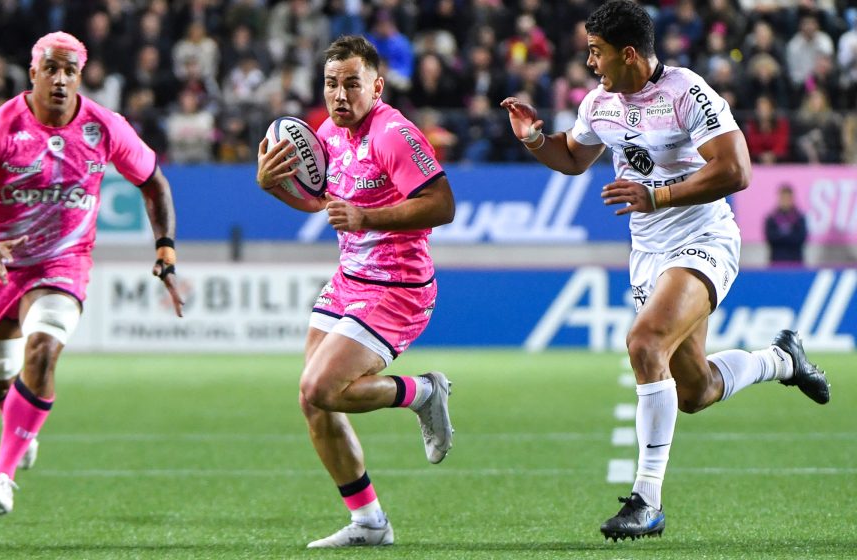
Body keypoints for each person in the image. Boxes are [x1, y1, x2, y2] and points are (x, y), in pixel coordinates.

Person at [500, 0, 830, 542]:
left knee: (644, 342)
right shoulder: (600, 103)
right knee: (694, 391)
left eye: (597, 52)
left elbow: (736, 169)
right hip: (648, 255)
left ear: (628, 53)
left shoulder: (687, 92)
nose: (589, 64)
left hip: (704, 239)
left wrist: (658, 194)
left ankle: (646, 501)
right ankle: (781, 360)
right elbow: (572, 158)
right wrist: (535, 138)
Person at [0, 31, 183, 516]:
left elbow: (153, 183)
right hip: (1, 263)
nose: (60, 79)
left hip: (63, 263)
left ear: (80, 75)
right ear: (33, 73)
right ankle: (18, 428)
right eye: (51, 68)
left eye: (70, 70)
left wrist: (166, 249)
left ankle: (1, 474)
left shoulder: (105, 125)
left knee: (45, 350)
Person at [255, 35, 455, 548]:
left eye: (351, 84)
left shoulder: (393, 133)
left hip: (399, 286)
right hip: (350, 280)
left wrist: (368, 216)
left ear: (377, 86)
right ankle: (369, 521)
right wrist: (272, 185)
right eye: (330, 84)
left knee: (322, 386)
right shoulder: (329, 132)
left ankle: (424, 392)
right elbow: (323, 202)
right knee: (313, 400)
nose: (340, 95)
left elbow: (442, 204)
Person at [765, 184, 808, 264]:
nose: (785, 200)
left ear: (792, 199)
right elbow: (770, 238)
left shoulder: (799, 218)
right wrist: (789, 235)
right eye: (783, 198)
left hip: (795, 262)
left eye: (787, 198)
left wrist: (781, 236)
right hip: (776, 262)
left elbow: (800, 238)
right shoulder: (771, 219)